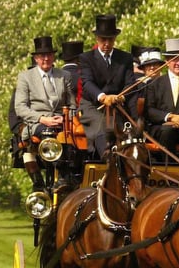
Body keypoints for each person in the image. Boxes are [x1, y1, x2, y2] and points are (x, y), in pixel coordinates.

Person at [14, 36, 76, 192]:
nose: (46, 59)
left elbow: (73, 105)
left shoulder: (64, 76)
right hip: (36, 123)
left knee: (78, 135)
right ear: (36, 58)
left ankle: (73, 177)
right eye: (42, 56)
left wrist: (65, 118)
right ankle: (61, 175)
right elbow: (20, 107)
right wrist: (43, 119)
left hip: (62, 122)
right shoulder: (25, 77)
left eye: (49, 55)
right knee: (47, 131)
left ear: (54, 56)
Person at [79, 14, 136, 158]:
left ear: (114, 39)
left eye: (110, 39)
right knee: (104, 127)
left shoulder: (125, 58)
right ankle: (107, 161)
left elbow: (130, 83)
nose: (106, 43)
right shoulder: (86, 58)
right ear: (97, 39)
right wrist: (102, 97)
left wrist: (121, 97)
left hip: (119, 106)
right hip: (93, 106)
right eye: (103, 39)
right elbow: (87, 82)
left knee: (131, 130)